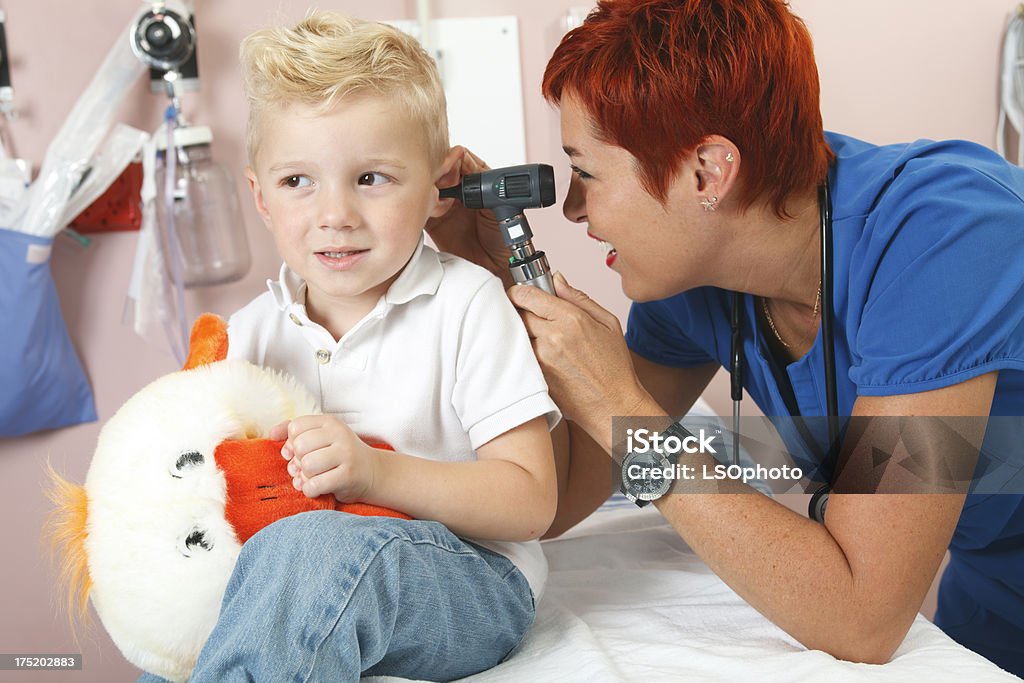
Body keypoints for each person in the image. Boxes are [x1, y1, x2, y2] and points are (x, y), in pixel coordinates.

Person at [427, 0, 1024, 676]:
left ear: (707, 171)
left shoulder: (942, 243)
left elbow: (862, 616)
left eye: (587, 172)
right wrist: (494, 277)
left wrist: (626, 412)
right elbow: (553, 498)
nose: (570, 207)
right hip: (992, 594)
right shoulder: (694, 287)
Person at [140, 11, 561, 682]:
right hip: (296, 574)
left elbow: (531, 501)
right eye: (297, 181)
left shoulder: (468, 304)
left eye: (371, 178)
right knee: (186, 634)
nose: (335, 213)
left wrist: (376, 472)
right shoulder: (248, 333)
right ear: (260, 196)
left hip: (468, 577)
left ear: (438, 187)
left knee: (305, 549)